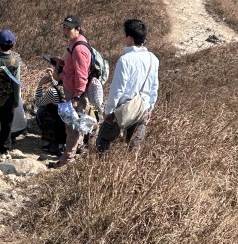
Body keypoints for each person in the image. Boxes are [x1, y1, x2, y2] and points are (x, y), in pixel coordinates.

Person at [97, 19, 159, 154]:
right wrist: (150, 108)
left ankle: (102, 169)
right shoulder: (153, 59)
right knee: (134, 149)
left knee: (103, 140)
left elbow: (117, 89)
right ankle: (130, 172)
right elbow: (154, 86)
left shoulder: (125, 60)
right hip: (142, 108)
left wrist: (108, 111)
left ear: (129, 38)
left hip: (121, 110)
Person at [52, 15, 103, 167]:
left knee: (72, 126)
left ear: (78, 29)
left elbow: (81, 75)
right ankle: (76, 151)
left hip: (74, 92)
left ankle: (67, 160)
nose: (66, 31)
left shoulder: (79, 49)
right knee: (76, 124)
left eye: (69, 28)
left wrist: (76, 96)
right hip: (71, 89)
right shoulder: (73, 44)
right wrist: (60, 62)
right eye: (64, 28)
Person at [33, 55, 66, 156]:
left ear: (61, 75)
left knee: (41, 110)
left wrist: (40, 85)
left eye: (55, 69)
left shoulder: (52, 92)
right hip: (68, 128)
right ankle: (63, 144)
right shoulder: (71, 86)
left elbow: (38, 102)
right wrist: (52, 78)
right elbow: (60, 90)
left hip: (58, 127)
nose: (53, 69)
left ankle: (54, 143)